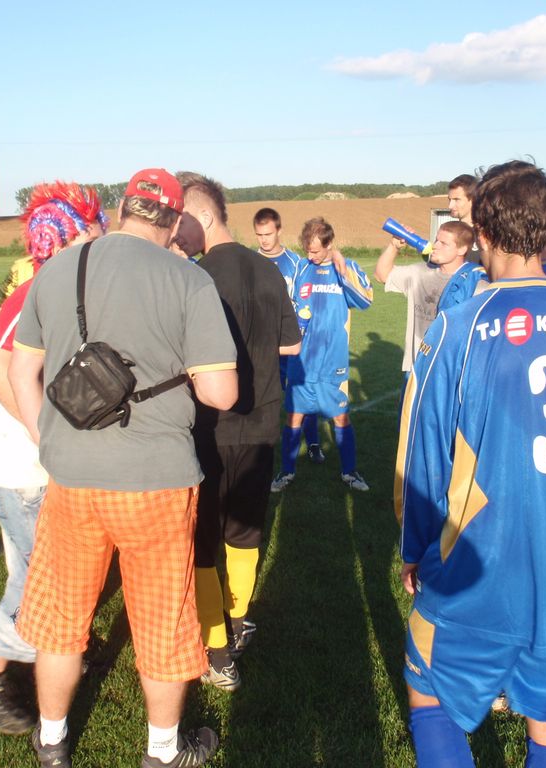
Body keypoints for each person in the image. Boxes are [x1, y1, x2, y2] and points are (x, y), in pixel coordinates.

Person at [396, 160, 546, 767]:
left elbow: (422, 455)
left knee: (429, 696)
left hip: (478, 562)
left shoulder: (458, 327)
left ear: (482, 232)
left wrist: (415, 547)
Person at [9, 168, 237, 768]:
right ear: (174, 221)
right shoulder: (189, 279)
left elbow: (19, 371)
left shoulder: (59, 267)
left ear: (120, 210)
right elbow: (220, 392)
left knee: (62, 616)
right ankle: (162, 751)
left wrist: (46, 440)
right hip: (157, 481)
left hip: (71, 476)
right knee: (163, 620)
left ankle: (52, 741)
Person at [0, 183, 107, 735]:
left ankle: (52, 651)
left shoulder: (50, 285)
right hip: (23, 469)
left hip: (20, 466)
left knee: (33, 573)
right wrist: (46, 435)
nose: (104, 233)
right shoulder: (38, 290)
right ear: (73, 233)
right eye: (96, 225)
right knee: (40, 581)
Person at [178, 174, 301, 691]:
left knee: (205, 538)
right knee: (244, 533)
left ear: (205, 216)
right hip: (261, 419)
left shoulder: (197, 277)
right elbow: (292, 345)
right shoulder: (269, 270)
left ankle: (217, 651)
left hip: (210, 426)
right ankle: (239, 617)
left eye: (180, 220)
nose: (174, 232)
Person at [272, 217, 373, 493]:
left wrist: (343, 268)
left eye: (316, 250)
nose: (311, 256)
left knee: (340, 418)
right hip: (301, 362)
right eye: (307, 250)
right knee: (293, 417)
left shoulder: (345, 267)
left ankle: (349, 472)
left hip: (332, 362)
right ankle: (287, 471)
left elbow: (365, 300)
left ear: (330, 244)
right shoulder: (302, 268)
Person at [374, 220, 482, 390]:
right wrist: (394, 246)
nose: (435, 245)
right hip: (416, 367)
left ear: (462, 249)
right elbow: (382, 275)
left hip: (452, 370)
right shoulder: (420, 272)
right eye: (436, 240)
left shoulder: (475, 281)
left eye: (444, 243)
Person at [253, 207, 323, 462]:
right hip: (262, 346)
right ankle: (262, 445)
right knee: (262, 398)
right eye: (259, 234)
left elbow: (305, 302)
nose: (264, 240)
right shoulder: (250, 262)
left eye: (268, 234)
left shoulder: (296, 263)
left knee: (303, 395)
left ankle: (313, 442)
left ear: (279, 231)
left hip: (291, 344)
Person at [0, 182, 111, 322]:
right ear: (58, 250)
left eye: (102, 242)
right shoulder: (25, 293)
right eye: (91, 243)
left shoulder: (100, 289)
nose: (101, 251)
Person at [447, 173, 481, 263]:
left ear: (473, 200)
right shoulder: (448, 231)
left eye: (456, 200)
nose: (450, 206)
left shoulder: (487, 233)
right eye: (449, 200)